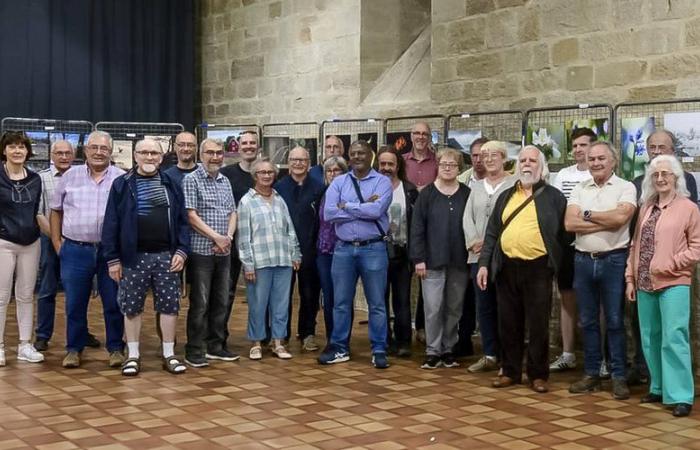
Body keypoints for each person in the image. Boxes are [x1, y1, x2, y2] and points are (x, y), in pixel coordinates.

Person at [476, 146, 569, 394]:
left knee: (539, 323)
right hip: (506, 266)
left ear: (542, 166)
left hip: (539, 268)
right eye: (523, 160)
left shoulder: (554, 197)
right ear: (517, 166)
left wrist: (559, 267)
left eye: (532, 160)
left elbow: (563, 235)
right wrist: (484, 264)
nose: (527, 164)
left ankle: (538, 375)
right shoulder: (506, 195)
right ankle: (510, 371)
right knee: (508, 322)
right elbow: (492, 232)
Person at [102, 138, 190, 376]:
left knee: (170, 306)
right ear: (136, 156)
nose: (149, 157)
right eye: (144, 152)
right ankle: (132, 355)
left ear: (161, 158)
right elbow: (111, 223)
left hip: (166, 256)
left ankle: (169, 354)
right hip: (133, 257)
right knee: (131, 307)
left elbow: (183, 220)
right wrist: (112, 259)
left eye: (154, 153)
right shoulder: (122, 184)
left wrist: (182, 250)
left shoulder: (171, 183)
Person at [625, 155, 700, 418]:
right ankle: (657, 387)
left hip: (674, 282)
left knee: (674, 337)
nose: (660, 179)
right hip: (644, 283)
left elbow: (696, 248)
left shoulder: (688, 208)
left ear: (676, 177)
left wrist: (670, 263)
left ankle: (681, 395)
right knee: (650, 338)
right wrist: (630, 279)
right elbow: (634, 245)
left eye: (666, 174)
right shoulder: (645, 206)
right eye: (655, 175)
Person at [566, 141, 636, 400]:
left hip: (614, 260)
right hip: (583, 260)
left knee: (616, 321)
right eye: (592, 158)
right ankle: (592, 374)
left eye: (601, 158)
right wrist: (602, 220)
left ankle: (618, 376)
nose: (595, 163)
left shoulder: (625, 187)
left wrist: (586, 215)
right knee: (588, 321)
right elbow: (568, 222)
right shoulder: (579, 188)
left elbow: (620, 219)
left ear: (613, 161)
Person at [50, 131, 126, 368]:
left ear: (110, 151)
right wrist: (57, 244)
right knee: (74, 303)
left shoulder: (122, 178)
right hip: (75, 250)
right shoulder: (70, 176)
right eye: (94, 147)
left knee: (114, 303)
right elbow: (55, 210)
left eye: (104, 148)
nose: (99, 152)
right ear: (85, 150)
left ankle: (115, 348)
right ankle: (74, 348)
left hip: (110, 253)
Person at [318, 140, 392, 369]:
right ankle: (339, 347)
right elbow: (329, 213)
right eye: (353, 153)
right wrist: (362, 207)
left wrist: (347, 206)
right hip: (344, 249)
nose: (358, 156)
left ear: (370, 155)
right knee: (340, 302)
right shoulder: (339, 182)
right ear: (348, 156)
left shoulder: (383, 182)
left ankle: (379, 348)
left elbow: (377, 210)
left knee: (377, 303)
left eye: (362, 153)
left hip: (373, 248)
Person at [34, 140, 101, 351]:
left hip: (78, 244)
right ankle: (43, 335)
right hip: (51, 241)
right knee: (47, 289)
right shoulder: (42, 178)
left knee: (78, 293)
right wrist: (57, 239)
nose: (64, 157)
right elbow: (39, 213)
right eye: (59, 153)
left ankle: (81, 333)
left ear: (74, 155)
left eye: (67, 153)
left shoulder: (81, 176)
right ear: (51, 155)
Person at [411, 147, 470, 369]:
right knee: (433, 307)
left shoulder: (466, 193)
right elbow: (417, 229)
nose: (447, 168)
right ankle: (433, 351)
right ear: (437, 166)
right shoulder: (426, 194)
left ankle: (448, 349)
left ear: (459, 168)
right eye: (444, 164)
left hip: (459, 261)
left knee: (454, 307)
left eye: (452, 165)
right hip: (431, 261)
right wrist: (419, 258)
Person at [182, 138, 238, 368]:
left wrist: (228, 239)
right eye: (210, 153)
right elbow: (191, 216)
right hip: (201, 251)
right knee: (201, 303)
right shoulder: (191, 179)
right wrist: (216, 237)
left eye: (218, 153)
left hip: (223, 251)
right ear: (200, 155)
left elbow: (233, 212)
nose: (215, 157)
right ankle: (194, 349)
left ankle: (216, 346)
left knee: (222, 301)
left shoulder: (225, 180)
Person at [238, 159, 301, 360]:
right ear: (255, 176)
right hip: (259, 262)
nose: (266, 176)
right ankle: (256, 343)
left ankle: (278, 343)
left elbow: (290, 229)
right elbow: (244, 236)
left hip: (283, 260)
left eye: (270, 172)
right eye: (262, 172)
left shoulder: (280, 199)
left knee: (281, 304)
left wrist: (295, 253)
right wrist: (248, 263)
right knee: (258, 304)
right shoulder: (247, 201)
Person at [462, 141, 516, 373]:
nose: (490, 159)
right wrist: (475, 241)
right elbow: (467, 218)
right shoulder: (475, 188)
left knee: (507, 307)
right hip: (478, 257)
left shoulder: (515, 184)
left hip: (505, 255)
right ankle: (490, 353)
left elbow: (515, 218)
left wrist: (490, 242)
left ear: (504, 158)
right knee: (484, 307)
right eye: (485, 156)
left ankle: (509, 356)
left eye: (495, 155)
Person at [549, 127, 596, 373]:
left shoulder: (601, 173)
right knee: (566, 299)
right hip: (566, 244)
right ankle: (568, 353)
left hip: (594, 243)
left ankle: (599, 358)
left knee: (596, 303)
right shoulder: (563, 176)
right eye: (575, 145)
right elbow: (560, 212)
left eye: (583, 145)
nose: (578, 150)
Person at [0, 131, 44, 365]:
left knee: (26, 295)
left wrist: (58, 240)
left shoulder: (35, 179)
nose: (17, 151)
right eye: (12, 147)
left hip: (31, 243)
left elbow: (38, 213)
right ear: (4, 150)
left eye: (21, 147)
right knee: (1, 296)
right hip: (3, 242)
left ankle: (25, 345)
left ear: (27, 151)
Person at [274, 146, 324, 350]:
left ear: (309, 162)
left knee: (310, 294)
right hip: (283, 249)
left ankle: (308, 333)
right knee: (282, 295)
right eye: (294, 159)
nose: (298, 163)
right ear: (288, 162)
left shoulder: (319, 187)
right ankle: (281, 334)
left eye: (302, 160)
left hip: (310, 249)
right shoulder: (279, 187)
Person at [377, 146, 418, 358]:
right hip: (377, 253)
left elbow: (417, 224)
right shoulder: (369, 189)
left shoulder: (409, 190)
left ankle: (403, 341)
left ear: (398, 166)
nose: (386, 168)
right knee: (379, 299)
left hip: (402, 254)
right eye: (382, 164)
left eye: (390, 164)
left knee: (402, 300)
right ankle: (384, 339)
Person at [403, 122, 438, 345]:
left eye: (425, 133)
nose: (421, 137)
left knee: (427, 278)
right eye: (417, 133)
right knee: (402, 280)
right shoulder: (402, 161)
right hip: (403, 225)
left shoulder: (437, 162)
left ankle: (423, 326)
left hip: (430, 225)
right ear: (411, 136)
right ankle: (403, 328)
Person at [220, 130, 259, 302]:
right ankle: (220, 329)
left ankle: (260, 329)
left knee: (259, 290)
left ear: (258, 147)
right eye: (245, 143)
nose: (249, 146)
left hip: (258, 239)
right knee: (226, 289)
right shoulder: (226, 174)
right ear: (238, 147)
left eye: (252, 143)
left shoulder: (264, 173)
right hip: (231, 238)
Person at [316, 156, 349, 347]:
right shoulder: (322, 193)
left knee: (343, 298)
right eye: (329, 171)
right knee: (328, 297)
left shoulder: (350, 194)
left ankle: (343, 340)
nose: (333, 174)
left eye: (337, 170)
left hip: (344, 250)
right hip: (324, 251)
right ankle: (331, 339)